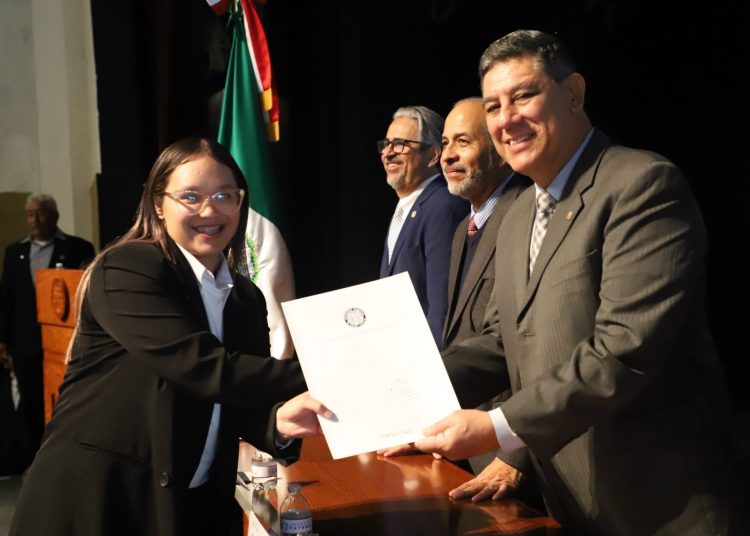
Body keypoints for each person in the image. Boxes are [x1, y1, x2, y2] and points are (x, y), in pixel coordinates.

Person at [414, 30, 745, 534]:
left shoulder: (642, 184)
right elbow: (502, 342)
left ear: (573, 93)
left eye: (523, 96)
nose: (506, 118)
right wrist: (401, 390)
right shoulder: (518, 213)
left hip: (660, 507)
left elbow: (624, 351)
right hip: (567, 503)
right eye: (494, 106)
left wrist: (498, 426)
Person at [10, 138, 329, 536]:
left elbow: (241, 396)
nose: (210, 210)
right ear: (159, 205)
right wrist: (332, 372)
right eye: (191, 196)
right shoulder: (127, 268)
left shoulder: (246, 298)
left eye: (224, 195)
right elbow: (203, 368)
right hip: (98, 500)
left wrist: (277, 422)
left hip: (193, 506)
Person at [380, 98, 535, 502]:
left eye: (462, 142)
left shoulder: (528, 215)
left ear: (499, 148)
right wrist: (423, 423)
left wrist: (516, 453)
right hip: (467, 447)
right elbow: (458, 336)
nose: (447, 155)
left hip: (512, 452)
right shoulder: (465, 225)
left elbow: (534, 348)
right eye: (446, 142)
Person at [0, 194, 95, 470]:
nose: (35, 220)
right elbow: (7, 300)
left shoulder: (78, 248)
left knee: (65, 401)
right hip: (26, 344)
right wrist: (3, 341)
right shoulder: (14, 253)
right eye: (30, 214)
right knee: (30, 403)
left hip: (65, 344)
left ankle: (66, 460)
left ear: (54, 216)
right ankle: (35, 462)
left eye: (41, 213)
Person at [378, 105, 468, 348]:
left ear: (433, 155)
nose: (388, 153)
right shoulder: (406, 207)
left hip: (426, 358)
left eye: (400, 144)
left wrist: (431, 365)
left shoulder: (442, 206)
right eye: (386, 144)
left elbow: (441, 308)